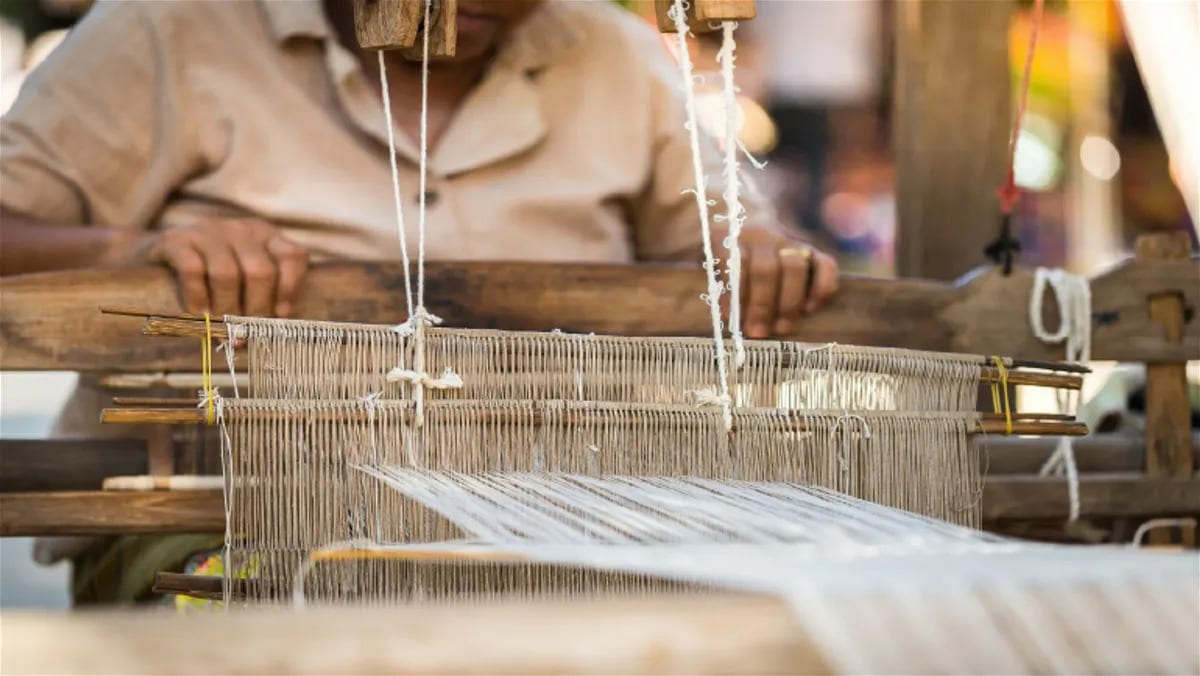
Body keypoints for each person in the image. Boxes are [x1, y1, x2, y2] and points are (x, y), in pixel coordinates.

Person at [0, 0, 839, 604]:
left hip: (559, 520)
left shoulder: (612, 54)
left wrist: (764, 261)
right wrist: (132, 251)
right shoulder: (167, 31)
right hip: (206, 518)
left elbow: (735, 247)